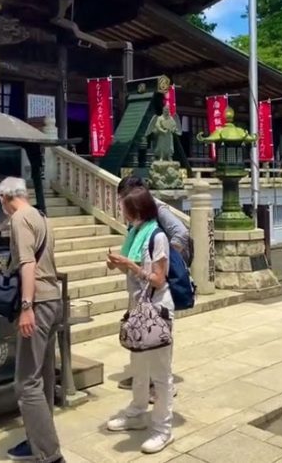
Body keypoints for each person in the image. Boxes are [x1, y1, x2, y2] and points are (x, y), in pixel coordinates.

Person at [0, 177, 65, 463]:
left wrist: (26, 306)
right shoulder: (41, 216)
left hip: (36, 302)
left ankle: (49, 454)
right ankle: (38, 438)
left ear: (5, 197)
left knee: (26, 382)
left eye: (0, 201)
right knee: (45, 375)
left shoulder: (19, 219)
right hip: (54, 300)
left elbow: (28, 263)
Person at [104, 187, 176, 455]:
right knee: (138, 365)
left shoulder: (157, 236)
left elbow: (158, 278)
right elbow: (133, 266)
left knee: (160, 371)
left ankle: (162, 428)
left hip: (157, 309)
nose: (120, 211)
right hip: (138, 307)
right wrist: (118, 264)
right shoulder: (134, 233)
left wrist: (131, 266)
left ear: (136, 210)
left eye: (124, 207)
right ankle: (136, 412)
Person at [115, 176, 187, 397]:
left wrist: (164, 257)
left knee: (158, 332)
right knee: (141, 329)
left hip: (157, 284)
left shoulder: (156, 213)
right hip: (139, 287)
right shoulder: (136, 223)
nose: (120, 204)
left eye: (123, 198)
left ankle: (160, 386)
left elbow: (181, 232)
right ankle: (142, 379)